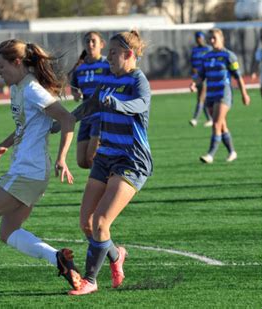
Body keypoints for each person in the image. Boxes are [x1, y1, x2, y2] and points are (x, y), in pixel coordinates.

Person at [0, 39, 80, 298]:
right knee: (8, 232)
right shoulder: (19, 88)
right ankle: (58, 258)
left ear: (18, 62)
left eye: (1, 66)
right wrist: (4, 144)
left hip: (28, 171)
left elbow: (67, 118)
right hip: (30, 171)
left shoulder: (32, 89)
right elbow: (26, 125)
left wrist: (63, 158)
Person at [67, 30, 152, 295]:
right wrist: (63, 121)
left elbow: (140, 105)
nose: (109, 57)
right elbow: (90, 106)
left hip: (131, 159)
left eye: (113, 53)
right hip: (105, 157)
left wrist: (115, 103)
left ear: (129, 55)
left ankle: (90, 280)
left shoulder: (138, 80)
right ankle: (117, 256)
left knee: (102, 222)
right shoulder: (108, 78)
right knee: (87, 224)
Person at [190, 28, 251, 164]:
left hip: (223, 95)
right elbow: (200, 75)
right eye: (210, 38)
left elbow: (238, 77)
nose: (212, 41)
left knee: (216, 124)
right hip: (210, 95)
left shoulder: (229, 56)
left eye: (214, 38)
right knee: (222, 125)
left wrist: (244, 94)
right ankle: (232, 152)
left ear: (222, 39)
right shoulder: (207, 56)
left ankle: (210, 154)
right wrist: (194, 84)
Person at [69, 31, 110, 168]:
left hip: (101, 115)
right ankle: (108, 171)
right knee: (82, 162)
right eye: (87, 41)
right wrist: (75, 94)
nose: (90, 44)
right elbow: (74, 87)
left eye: (94, 41)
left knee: (92, 158)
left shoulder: (108, 65)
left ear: (102, 44)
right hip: (85, 116)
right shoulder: (80, 68)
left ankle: (104, 185)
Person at [189, 31, 213, 127]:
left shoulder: (208, 49)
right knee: (203, 99)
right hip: (197, 77)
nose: (198, 40)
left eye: (200, 37)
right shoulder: (194, 50)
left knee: (200, 98)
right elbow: (192, 64)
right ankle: (210, 119)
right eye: (197, 38)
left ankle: (195, 119)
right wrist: (193, 79)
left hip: (205, 77)